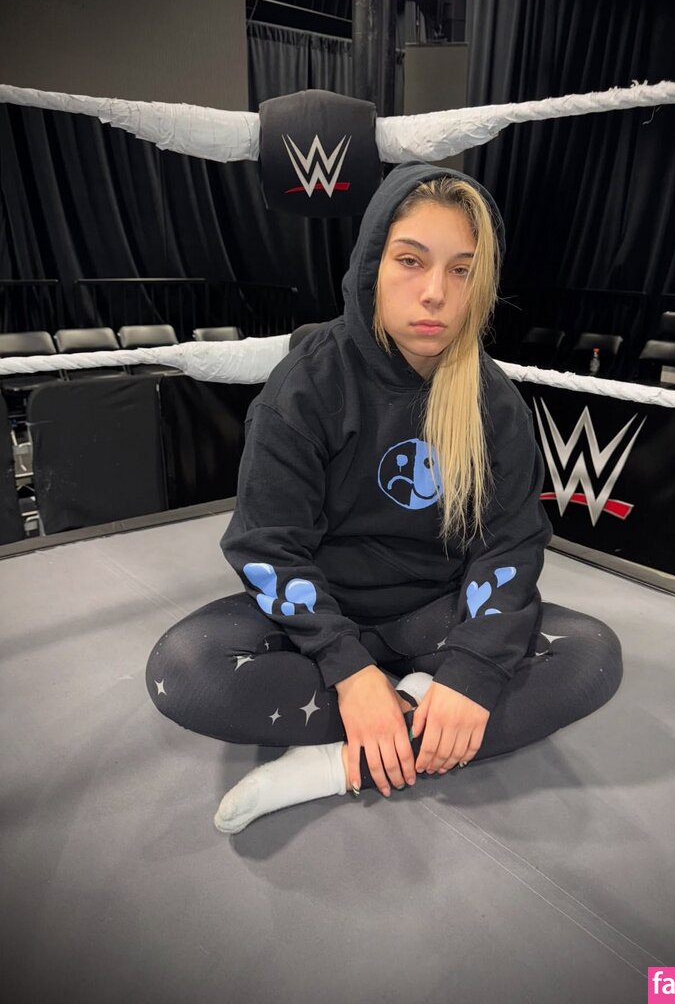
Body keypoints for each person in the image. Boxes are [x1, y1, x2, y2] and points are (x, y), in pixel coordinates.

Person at [145, 162, 622, 834]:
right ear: (373, 263)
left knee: (591, 655)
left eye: (462, 270)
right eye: (411, 261)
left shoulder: (491, 400)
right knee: (187, 670)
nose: (435, 293)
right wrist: (347, 670)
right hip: (322, 616)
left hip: (436, 615)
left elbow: (510, 545)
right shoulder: (308, 384)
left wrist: (472, 666)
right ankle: (419, 716)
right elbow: (267, 547)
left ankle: (340, 762)